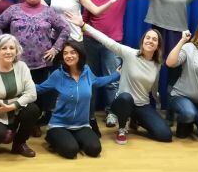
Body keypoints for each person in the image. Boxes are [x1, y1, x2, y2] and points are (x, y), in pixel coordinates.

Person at [82, 0, 169, 128]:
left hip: (113, 44)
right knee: (89, 80)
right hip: (90, 43)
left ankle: (112, 113)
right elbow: (85, 19)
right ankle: (88, 114)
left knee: (113, 80)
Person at [65, 12, 171, 144]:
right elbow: (106, 41)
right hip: (122, 102)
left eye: (154, 39)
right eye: (147, 38)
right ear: (143, 41)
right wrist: (84, 25)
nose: (150, 41)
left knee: (165, 135)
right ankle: (121, 128)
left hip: (142, 105)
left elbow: (154, 87)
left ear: (158, 46)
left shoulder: (157, 64)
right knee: (126, 97)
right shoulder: (130, 54)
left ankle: (135, 119)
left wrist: (158, 103)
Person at [0, 0, 71, 136]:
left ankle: (32, 122)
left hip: (41, 63)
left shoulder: (49, 12)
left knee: (36, 94)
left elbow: (65, 29)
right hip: (15, 63)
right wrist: (2, 45)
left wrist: (55, 49)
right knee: (15, 93)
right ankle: (12, 123)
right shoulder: (14, 9)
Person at [36, 41, 119, 158]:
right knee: (71, 151)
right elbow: (39, 88)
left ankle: (72, 140)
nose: (69, 56)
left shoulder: (87, 71)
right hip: (59, 125)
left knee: (95, 150)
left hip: (82, 125)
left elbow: (98, 82)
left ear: (79, 54)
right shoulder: (58, 75)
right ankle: (54, 138)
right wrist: (19, 88)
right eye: (65, 53)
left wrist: (117, 75)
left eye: (72, 52)